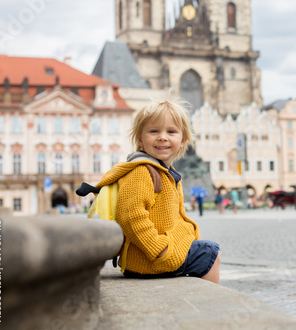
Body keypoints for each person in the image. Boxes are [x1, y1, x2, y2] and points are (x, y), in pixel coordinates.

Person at [93, 98, 220, 283]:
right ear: (140, 139)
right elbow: (130, 215)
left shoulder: (166, 172)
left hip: (155, 257)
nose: (162, 137)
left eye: (171, 131)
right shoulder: (141, 171)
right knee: (209, 253)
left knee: (203, 249)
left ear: (183, 139)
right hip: (149, 261)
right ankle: (212, 307)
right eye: (154, 131)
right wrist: (159, 249)